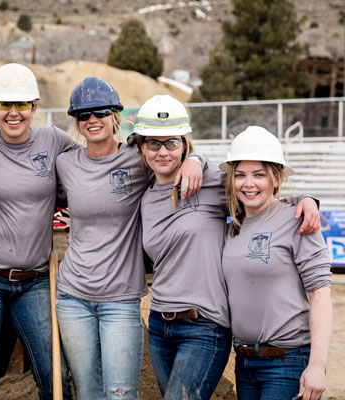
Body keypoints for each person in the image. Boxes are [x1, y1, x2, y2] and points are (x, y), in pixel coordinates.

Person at [134, 96, 319, 399]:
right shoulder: (145, 197)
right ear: (141, 146)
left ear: (185, 143)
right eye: (153, 143)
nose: (162, 151)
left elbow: (259, 189)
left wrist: (306, 200)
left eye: (171, 142)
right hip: (160, 324)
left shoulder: (209, 182)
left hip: (204, 325)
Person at [54, 77, 206, 400]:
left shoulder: (139, 160)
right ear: (77, 122)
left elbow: (175, 152)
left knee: (120, 394)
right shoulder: (65, 164)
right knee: (87, 392)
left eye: (100, 112)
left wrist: (195, 159)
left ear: (115, 116)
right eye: (83, 115)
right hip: (72, 298)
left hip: (120, 300)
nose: (92, 120)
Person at [0, 63, 73, 400]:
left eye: (21, 104)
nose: (13, 113)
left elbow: (94, 166)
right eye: (5, 104)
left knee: (55, 373)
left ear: (35, 107)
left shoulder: (53, 140)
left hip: (35, 280)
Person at [220, 126, 331, 400]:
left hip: (287, 361)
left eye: (259, 175)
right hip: (245, 362)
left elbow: (320, 295)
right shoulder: (233, 228)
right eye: (241, 175)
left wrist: (316, 366)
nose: (249, 184)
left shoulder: (298, 221)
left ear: (277, 179)